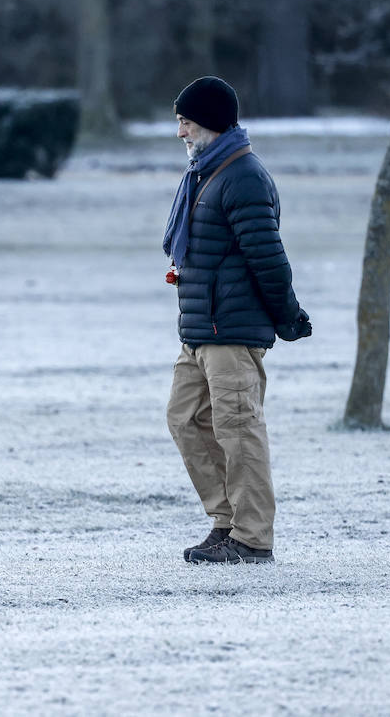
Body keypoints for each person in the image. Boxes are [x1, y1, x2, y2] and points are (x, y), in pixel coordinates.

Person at [162, 76, 311, 565]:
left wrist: (287, 316)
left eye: (186, 121)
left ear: (209, 121)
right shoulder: (205, 172)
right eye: (180, 121)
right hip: (200, 330)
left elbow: (268, 258)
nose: (181, 131)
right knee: (184, 420)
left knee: (238, 428)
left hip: (232, 332)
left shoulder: (242, 175)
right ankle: (226, 521)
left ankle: (252, 538)